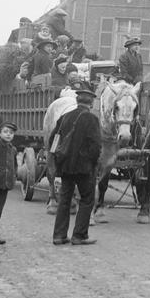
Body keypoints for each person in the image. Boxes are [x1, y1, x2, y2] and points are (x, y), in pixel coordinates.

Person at [51, 86, 101, 246]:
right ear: (91, 103)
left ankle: (59, 236)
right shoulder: (92, 119)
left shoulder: (65, 117)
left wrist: (58, 160)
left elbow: (54, 139)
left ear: (77, 101)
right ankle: (79, 235)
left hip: (65, 166)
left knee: (64, 199)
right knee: (87, 199)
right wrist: (92, 163)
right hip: (84, 168)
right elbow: (95, 146)